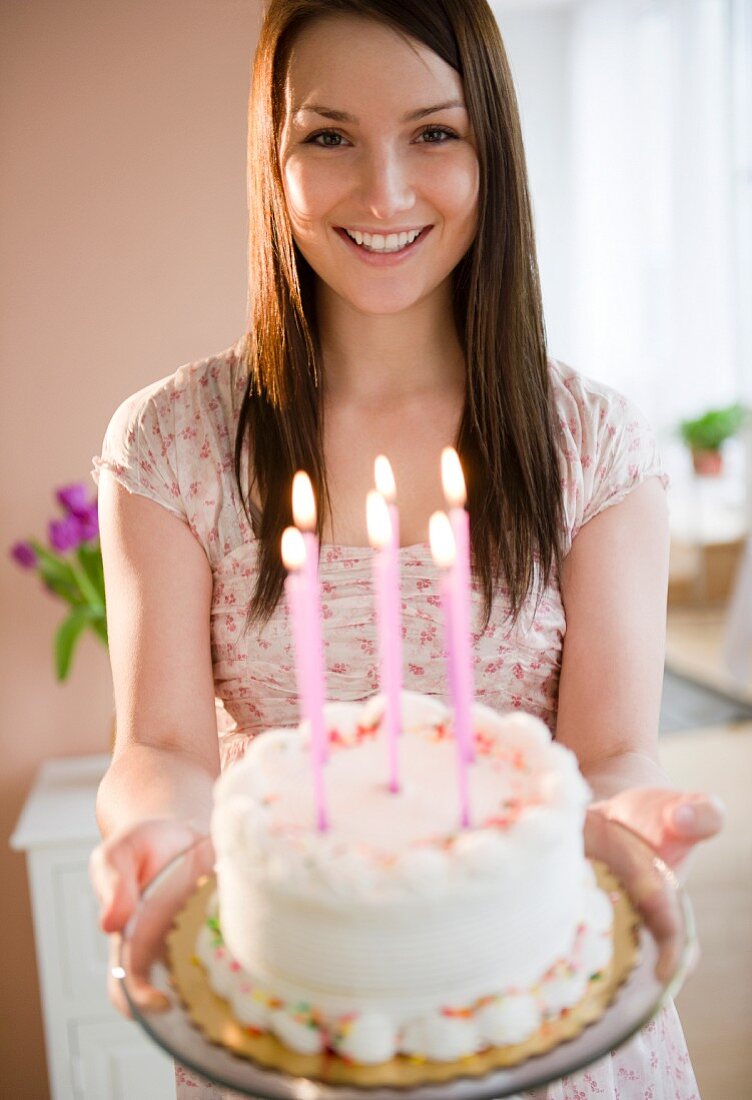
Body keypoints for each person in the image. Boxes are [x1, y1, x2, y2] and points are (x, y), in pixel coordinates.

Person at [88, 1, 724, 1097]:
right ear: (271, 156)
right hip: (292, 1019)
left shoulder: (593, 444)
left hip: (537, 1007)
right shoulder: (168, 443)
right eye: (327, 136)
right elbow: (163, 743)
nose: (382, 192)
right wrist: (150, 825)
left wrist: (627, 815)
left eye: (433, 133)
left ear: (492, 150)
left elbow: (610, 753)